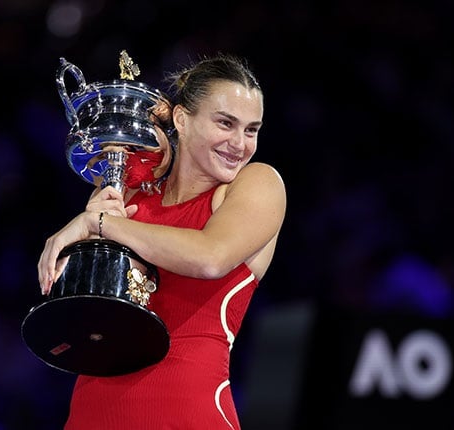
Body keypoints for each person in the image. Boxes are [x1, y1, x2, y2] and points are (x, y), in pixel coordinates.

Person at [37, 52, 287, 430]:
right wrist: (86, 247)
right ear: (182, 120)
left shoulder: (258, 184)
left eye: (251, 129)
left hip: (188, 414)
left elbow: (210, 257)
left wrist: (100, 224)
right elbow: (81, 307)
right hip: (94, 409)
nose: (240, 143)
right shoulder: (131, 197)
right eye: (226, 123)